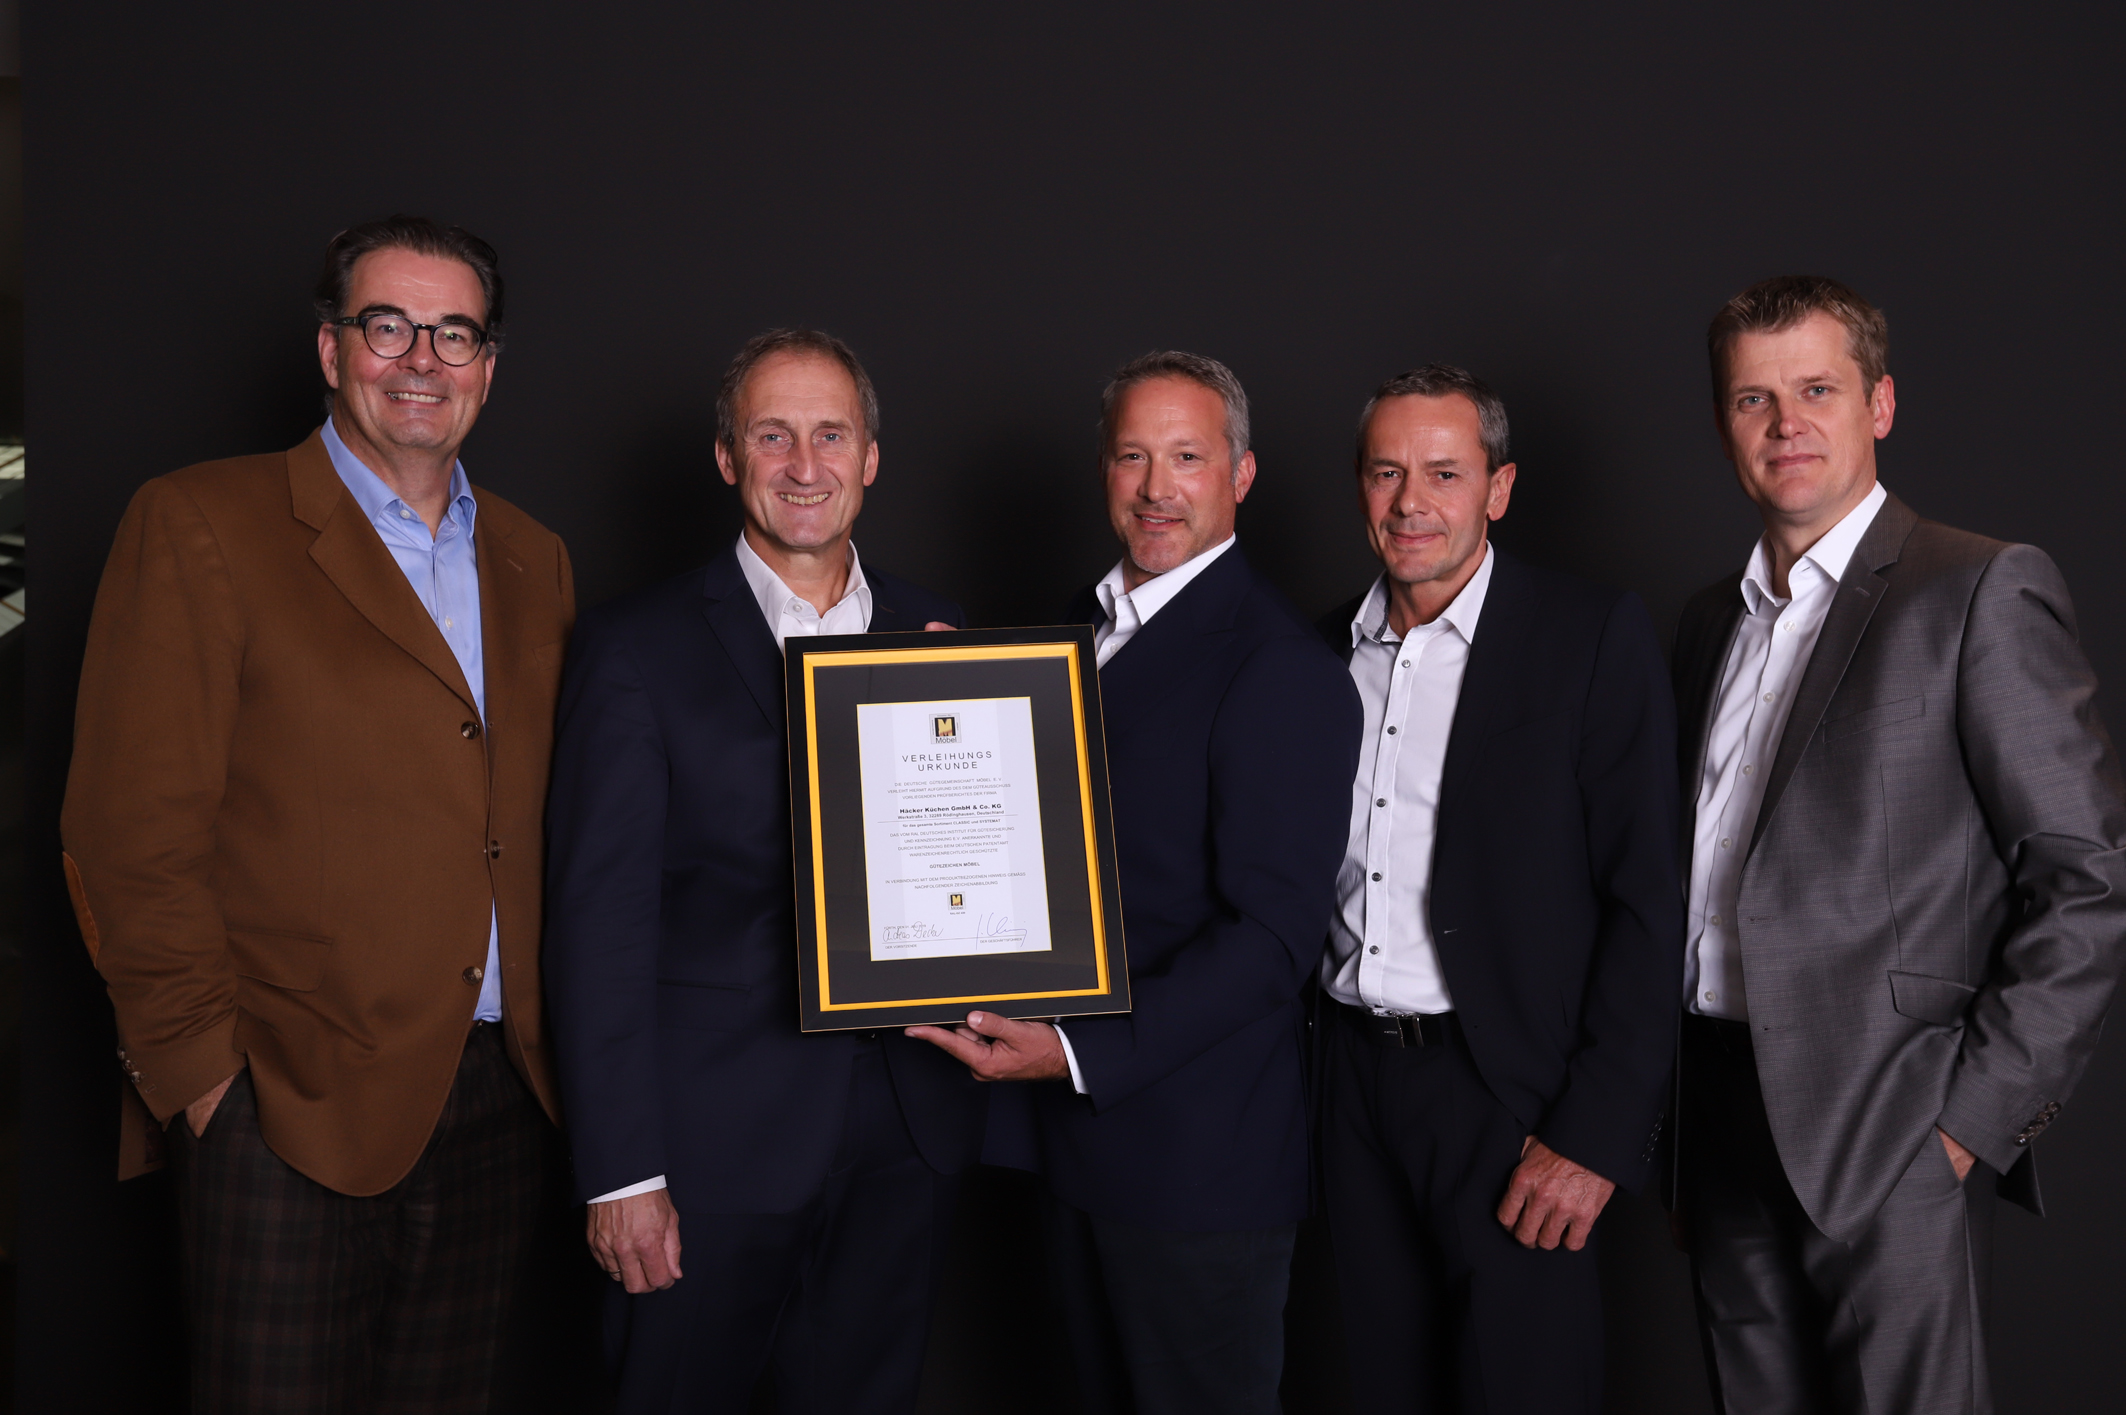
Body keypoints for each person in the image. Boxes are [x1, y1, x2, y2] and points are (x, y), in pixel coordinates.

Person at [60, 215, 574, 1413]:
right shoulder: (201, 522)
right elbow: (129, 833)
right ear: (332, 350)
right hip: (284, 1101)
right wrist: (204, 1082)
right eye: (389, 326)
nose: (422, 359)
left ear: (488, 368)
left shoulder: (533, 557)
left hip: (497, 1101)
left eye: (454, 333)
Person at [1670, 275, 2126, 1413]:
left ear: (1879, 403)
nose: (1786, 424)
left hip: (1891, 1126)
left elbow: (2085, 877)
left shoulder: (1975, 587)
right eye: (1754, 398)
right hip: (1715, 1117)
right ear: (1723, 423)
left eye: (1816, 390)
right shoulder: (1707, 622)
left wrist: (1969, 1125)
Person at [543, 328, 986, 1414]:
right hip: (708, 1150)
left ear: (870, 457)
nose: (804, 464)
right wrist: (621, 1171)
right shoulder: (633, 648)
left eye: (830, 435)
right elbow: (596, 927)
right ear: (727, 456)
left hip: (903, 1132)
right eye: (772, 435)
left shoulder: (943, 634)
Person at [911, 351, 1362, 1414]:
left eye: (1187, 457)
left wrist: (1074, 1049)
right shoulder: (1081, 623)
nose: (1157, 488)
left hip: (1196, 1164)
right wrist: (945, 698)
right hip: (1078, 1147)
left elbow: (1272, 939)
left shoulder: (1280, 667)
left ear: (1240, 474)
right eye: (1132, 456)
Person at [1311, 364, 1682, 1413]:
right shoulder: (1315, 650)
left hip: (1509, 1091)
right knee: (1375, 1384)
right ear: (1358, 485)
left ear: (1498, 488)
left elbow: (1648, 901)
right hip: (1345, 1085)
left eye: (1443, 472)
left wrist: (1595, 1134)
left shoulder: (1587, 635)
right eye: (1386, 472)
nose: (1410, 502)